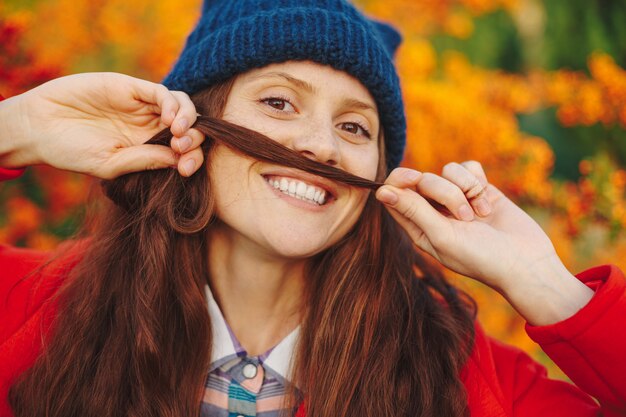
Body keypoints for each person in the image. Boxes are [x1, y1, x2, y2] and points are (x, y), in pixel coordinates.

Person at [0, 1, 625, 416]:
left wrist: (547, 287)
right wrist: (16, 127)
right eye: (278, 103)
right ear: (196, 125)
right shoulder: (31, 306)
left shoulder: (464, 379)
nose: (320, 144)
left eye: (355, 128)